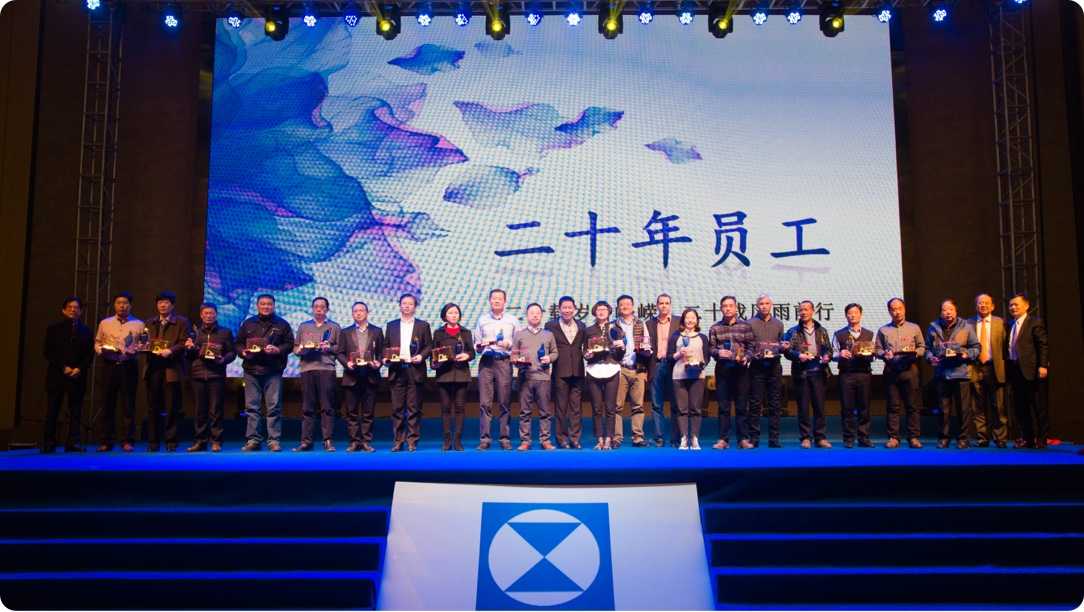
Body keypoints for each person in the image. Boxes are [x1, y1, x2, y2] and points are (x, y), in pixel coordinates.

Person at [236, 293, 294, 452]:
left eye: (269, 304)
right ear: (257, 306)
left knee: (274, 407)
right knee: (252, 407)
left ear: (274, 306)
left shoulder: (282, 324)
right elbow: (238, 343)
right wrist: (242, 352)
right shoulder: (248, 323)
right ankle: (253, 440)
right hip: (251, 370)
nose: (266, 306)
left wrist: (278, 349)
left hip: (273, 370)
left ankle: (273, 440)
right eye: (263, 304)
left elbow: (290, 344)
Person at [926, 299, 980, 449]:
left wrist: (967, 354)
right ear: (940, 312)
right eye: (944, 310)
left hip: (961, 373)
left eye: (950, 309)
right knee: (943, 409)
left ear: (956, 311)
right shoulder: (933, 327)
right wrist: (930, 358)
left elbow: (976, 347)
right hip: (942, 373)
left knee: (963, 409)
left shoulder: (966, 326)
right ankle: (944, 438)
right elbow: (927, 348)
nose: (947, 312)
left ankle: (963, 438)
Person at [42, 296, 93, 453]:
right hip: (57, 375)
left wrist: (79, 368)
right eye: (70, 307)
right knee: (53, 410)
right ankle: (49, 442)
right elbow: (48, 352)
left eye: (76, 307)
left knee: (76, 411)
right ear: (63, 310)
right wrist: (63, 367)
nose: (73, 310)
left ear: (81, 311)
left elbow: (89, 355)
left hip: (77, 376)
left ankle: (72, 443)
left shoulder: (86, 331)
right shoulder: (53, 329)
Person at [93, 292, 144, 452]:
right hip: (109, 365)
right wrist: (101, 351)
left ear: (130, 305)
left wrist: (136, 350)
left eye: (125, 303)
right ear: (114, 305)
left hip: (129, 366)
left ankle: (127, 440)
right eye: (119, 303)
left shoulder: (139, 324)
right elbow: (97, 343)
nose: (122, 306)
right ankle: (106, 441)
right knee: (107, 404)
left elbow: (144, 344)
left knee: (128, 405)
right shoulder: (105, 323)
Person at [142, 290, 191, 452]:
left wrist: (170, 350)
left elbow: (184, 342)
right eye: (160, 302)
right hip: (153, 367)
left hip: (172, 368)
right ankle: (153, 442)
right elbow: (144, 341)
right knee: (152, 407)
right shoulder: (150, 322)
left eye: (166, 302)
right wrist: (142, 346)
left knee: (172, 407)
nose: (162, 305)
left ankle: (171, 441)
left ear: (172, 305)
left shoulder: (182, 322)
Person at [184, 302, 235, 453]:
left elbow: (232, 353)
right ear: (201, 315)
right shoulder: (194, 333)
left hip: (216, 375)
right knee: (200, 411)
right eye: (206, 313)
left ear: (216, 314)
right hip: (198, 375)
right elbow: (188, 356)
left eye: (211, 313)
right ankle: (200, 441)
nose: (209, 316)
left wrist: (223, 360)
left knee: (216, 410)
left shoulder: (225, 332)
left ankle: (216, 441)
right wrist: (189, 349)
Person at [875, 297, 926, 448]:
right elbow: (877, 349)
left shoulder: (914, 328)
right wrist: (884, 354)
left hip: (910, 370)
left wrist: (915, 352)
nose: (896, 312)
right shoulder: (883, 330)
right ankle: (893, 437)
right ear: (889, 311)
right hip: (891, 371)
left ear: (904, 309)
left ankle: (914, 437)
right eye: (893, 309)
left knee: (912, 405)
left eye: (899, 308)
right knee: (893, 406)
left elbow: (922, 347)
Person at [474, 289, 520, 450]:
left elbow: (518, 345)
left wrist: (509, 345)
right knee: (485, 403)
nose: (497, 301)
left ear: (505, 301)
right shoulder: (482, 320)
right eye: (494, 298)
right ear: (489, 300)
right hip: (486, 362)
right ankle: (485, 439)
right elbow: (477, 346)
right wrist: (480, 345)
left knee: (504, 402)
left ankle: (504, 438)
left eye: (500, 298)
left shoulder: (513, 320)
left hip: (504, 362)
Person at [293, 297, 341, 452]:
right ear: (312, 309)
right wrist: (300, 349)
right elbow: (295, 347)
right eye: (316, 307)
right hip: (307, 369)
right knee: (307, 407)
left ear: (327, 309)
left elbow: (340, 348)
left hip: (326, 368)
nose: (319, 309)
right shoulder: (303, 326)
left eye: (322, 307)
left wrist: (329, 348)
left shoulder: (334, 327)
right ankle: (306, 441)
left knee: (327, 406)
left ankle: (327, 440)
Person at [385, 293, 432, 452]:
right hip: (397, 369)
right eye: (404, 303)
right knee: (397, 408)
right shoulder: (391, 325)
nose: (406, 306)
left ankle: (412, 440)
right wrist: (386, 357)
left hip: (415, 369)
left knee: (414, 408)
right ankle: (398, 441)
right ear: (399, 305)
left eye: (410, 304)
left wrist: (421, 356)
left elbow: (429, 346)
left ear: (415, 307)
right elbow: (386, 346)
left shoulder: (423, 325)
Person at [784, 300, 834, 449]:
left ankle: (820, 437)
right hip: (801, 373)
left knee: (819, 407)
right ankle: (805, 437)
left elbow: (828, 349)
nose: (803, 312)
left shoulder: (822, 330)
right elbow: (787, 351)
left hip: (819, 372)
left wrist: (827, 356)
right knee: (803, 407)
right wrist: (798, 355)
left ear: (813, 311)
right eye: (801, 310)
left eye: (806, 309)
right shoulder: (792, 331)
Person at [707, 296, 755, 449]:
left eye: (730, 306)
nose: (727, 308)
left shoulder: (745, 326)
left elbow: (751, 346)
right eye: (725, 306)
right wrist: (718, 352)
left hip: (741, 369)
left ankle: (743, 439)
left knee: (742, 406)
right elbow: (710, 348)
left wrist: (746, 357)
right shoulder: (715, 328)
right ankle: (723, 439)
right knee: (723, 406)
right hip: (723, 369)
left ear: (736, 308)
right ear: (721, 309)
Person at [337, 301, 385, 452]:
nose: (358, 313)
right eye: (355, 311)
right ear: (352, 314)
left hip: (370, 375)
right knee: (351, 412)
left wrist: (379, 363)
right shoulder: (345, 332)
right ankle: (354, 442)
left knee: (368, 412)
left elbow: (382, 352)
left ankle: (366, 441)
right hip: (351, 376)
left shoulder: (377, 331)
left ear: (367, 312)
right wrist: (346, 364)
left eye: (361, 310)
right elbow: (340, 353)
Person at [1005, 293, 1050, 448]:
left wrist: (1043, 365)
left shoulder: (1034, 322)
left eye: (1016, 304)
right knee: (1021, 407)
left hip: (1032, 371)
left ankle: (1042, 439)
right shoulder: (1010, 324)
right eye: (1011, 305)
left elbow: (1042, 345)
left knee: (1038, 406)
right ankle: (1028, 439)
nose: (1013, 307)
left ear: (1026, 306)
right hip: (1015, 371)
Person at [513, 303, 559, 451]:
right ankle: (525, 441)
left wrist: (549, 358)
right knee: (524, 412)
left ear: (541, 315)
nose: (535, 315)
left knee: (545, 412)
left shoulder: (548, 334)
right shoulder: (519, 334)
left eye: (538, 313)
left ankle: (545, 440)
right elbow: (513, 355)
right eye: (532, 312)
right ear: (526, 315)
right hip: (525, 378)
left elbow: (555, 352)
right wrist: (517, 360)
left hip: (543, 378)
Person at [431, 303, 475, 451]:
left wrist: (467, 355)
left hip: (461, 374)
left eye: (456, 313)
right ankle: (447, 440)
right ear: (444, 315)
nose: (454, 315)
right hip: (444, 374)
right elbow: (433, 353)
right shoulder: (438, 333)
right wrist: (436, 361)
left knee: (460, 408)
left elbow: (472, 352)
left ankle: (457, 440)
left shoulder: (466, 332)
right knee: (445, 408)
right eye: (450, 313)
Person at [832, 303, 876, 448]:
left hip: (864, 373)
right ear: (846, 316)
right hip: (846, 374)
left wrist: (870, 353)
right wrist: (840, 354)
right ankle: (848, 438)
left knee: (865, 407)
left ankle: (864, 437)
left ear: (860, 314)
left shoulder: (869, 334)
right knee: (847, 407)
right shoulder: (839, 334)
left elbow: (875, 353)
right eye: (849, 313)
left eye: (855, 312)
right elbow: (832, 354)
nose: (852, 315)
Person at [545, 296, 586, 449]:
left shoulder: (582, 325)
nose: (567, 310)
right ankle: (561, 438)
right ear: (559, 309)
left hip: (578, 370)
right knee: (560, 407)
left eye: (570, 307)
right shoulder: (550, 325)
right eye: (564, 307)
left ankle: (575, 438)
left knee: (576, 408)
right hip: (560, 371)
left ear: (574, 309)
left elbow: (585, 347)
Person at [968, 294, 1009, 448]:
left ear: (992, 306)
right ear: (976, 306)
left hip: (995, 368)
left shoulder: (1001, 322)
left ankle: (1000, 438)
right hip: (975, 367)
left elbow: (1006, 346)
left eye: (986, 303)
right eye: (980, 303)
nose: (983, 305)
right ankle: (982, 438)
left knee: (998, 406)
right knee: (977, 405)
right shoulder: (968, 323)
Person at [583, 301, 624, 450]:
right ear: (594, 312)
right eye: (598, 309)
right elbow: (585, 350)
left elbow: (620, 354)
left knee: (610, 408)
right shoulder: (588, 330)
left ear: (609, 312)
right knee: (597, 408)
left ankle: (608, 439)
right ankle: (599, 439)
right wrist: (587, 355)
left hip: (612, 369)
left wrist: (622, 348)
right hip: (593, 370)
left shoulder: (615, 329)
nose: (601, 312)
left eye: (604, 309)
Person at [612, 295, 652, 448]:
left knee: (638, 406)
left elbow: (647, 344)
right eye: (621, 304)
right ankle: (617, 438)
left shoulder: (641, 324)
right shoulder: (613, 325)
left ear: (633, 306)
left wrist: (646, 351)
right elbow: (609, 347)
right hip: (620, 369)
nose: (625, 306)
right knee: (617, 406)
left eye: (628, 304)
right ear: (618, 308)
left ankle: (638, 437)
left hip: (638, 369)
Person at [747, 294, 786, 447]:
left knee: (775, 403)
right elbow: (748, 345)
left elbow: (781, 344)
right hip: (757, 366)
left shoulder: (778, 324)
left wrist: (783, 347)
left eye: (767, 303)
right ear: (757, 306)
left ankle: (774, 439)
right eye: (761, 303)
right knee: (755, 403)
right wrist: (754, 353)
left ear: (771, 305)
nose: (764, 306)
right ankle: (754, 438)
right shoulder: (750, 323)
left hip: (774, 366)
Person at [669, 308, 708, 450]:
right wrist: (679, 354)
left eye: (693, 318)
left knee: (696, 409)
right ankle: (684, 438)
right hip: (679, 375)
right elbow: (669, 357)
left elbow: (707, 357)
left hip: (697, 376)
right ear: (683, 320)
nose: (690, 320)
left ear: (697, 320)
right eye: (687, 318)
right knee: (682, 409)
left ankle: (695, 438)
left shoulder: (702, 337)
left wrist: (698, 364)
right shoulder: (676, 336)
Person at [645, 294, 674, 447]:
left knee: (676, 403)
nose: (664, 306)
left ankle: (676, 438)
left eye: (667, 303)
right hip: (655, 365)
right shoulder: (649, 323)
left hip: (674, 366)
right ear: (656, 305)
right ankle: (659, 437)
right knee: (657, 404)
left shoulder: (678, 322)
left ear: (670, 305)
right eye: (661, 303)